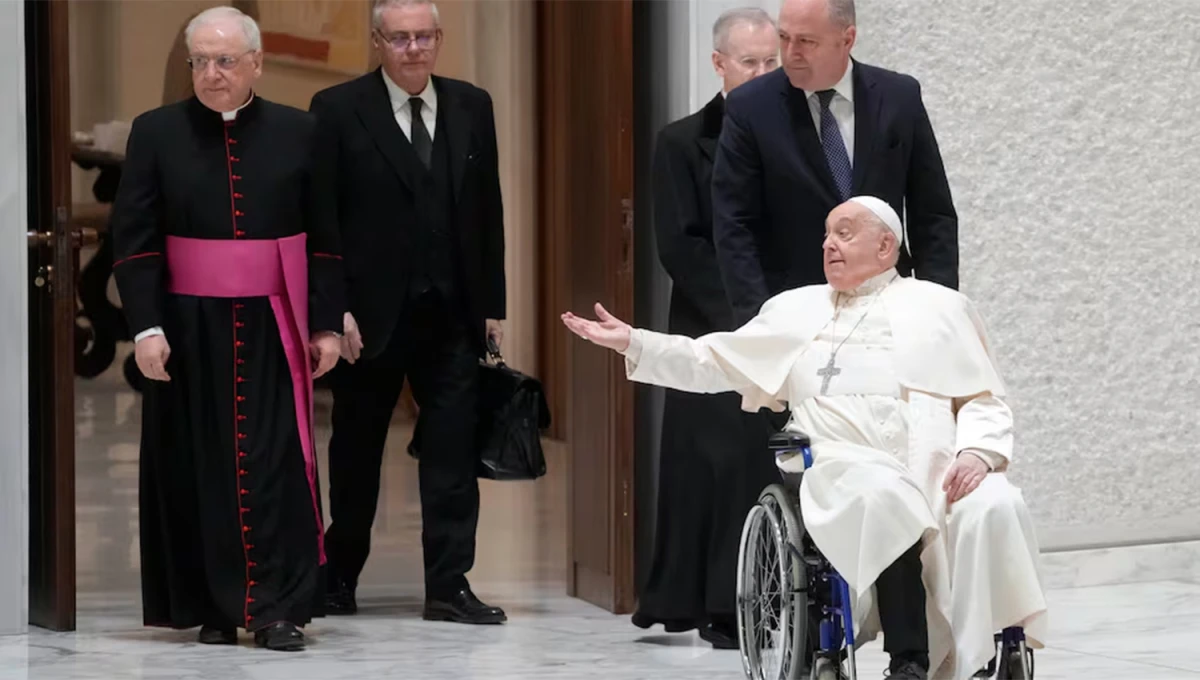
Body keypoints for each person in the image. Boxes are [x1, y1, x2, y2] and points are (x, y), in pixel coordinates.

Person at [563, 197, 1047, 679]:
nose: (828, 244)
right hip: (847, 467)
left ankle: (995, 652)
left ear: (886, 246)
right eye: (825, 235)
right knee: (886, 499)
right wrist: (635, 342)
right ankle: (909, 662)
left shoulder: (943, 307)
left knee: (995, 504)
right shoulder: (795, 310)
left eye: (844, 233)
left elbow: (984, 399)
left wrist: (978, 453)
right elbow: (710, 360)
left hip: (942, 467)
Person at [111, 6, 344, 651]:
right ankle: (213, 605)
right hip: (187, 329)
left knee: (274, 463)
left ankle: (275, 608)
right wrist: (147, 327)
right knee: (198, 464)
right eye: (199, 61)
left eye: (224, 60)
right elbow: (133, 242)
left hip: (274, 326)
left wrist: (325, 326)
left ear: (256, 64)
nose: (210, 74)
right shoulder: (155, 132)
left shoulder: (301, 132)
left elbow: (326, 241)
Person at [308, 0, 507, 624]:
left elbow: (486, 213)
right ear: (377, 42)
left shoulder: (472, 105)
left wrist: (492, 306)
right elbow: (323, 221)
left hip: (451, 315)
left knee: (452, 457)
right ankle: (339, 577)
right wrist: (332, 310)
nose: (413, 48)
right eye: (399, 38)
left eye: (423, 36)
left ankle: (449, 586)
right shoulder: (338, 110)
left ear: (440, 39)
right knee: (357, 455)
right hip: (367, 320)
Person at [634, 7, 781, 650]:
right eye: (749, 61)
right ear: (719, 63)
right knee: (712, 464)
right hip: (713, 326)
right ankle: (713, 604)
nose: (761, 72)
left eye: (771, 60)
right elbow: (680, 245)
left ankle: (767, 596)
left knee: (766, 461)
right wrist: (745, 320)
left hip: (781, 325)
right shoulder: (679, 141)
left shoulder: (798, 134)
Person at [713, 0, 958, 327]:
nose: (791, 52)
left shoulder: (899, 98)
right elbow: (734, 224)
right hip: (790, 309)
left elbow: (932, 214)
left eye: (806, 41)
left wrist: (938, 311)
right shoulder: (751, 107)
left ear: (847, 39)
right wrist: (759, 323)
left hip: (889, 307)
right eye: (784, 38)